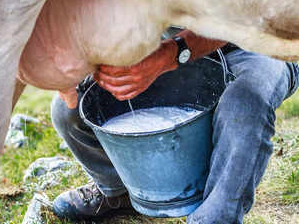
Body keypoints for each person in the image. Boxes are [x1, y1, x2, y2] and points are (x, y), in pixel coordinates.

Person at [50, 28, 299, 224]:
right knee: (70, 108)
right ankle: (119, 191)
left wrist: (169, 55)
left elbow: (245, 17)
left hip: (261, 43)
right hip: (166, 40)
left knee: (245, 106)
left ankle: (214, 219)